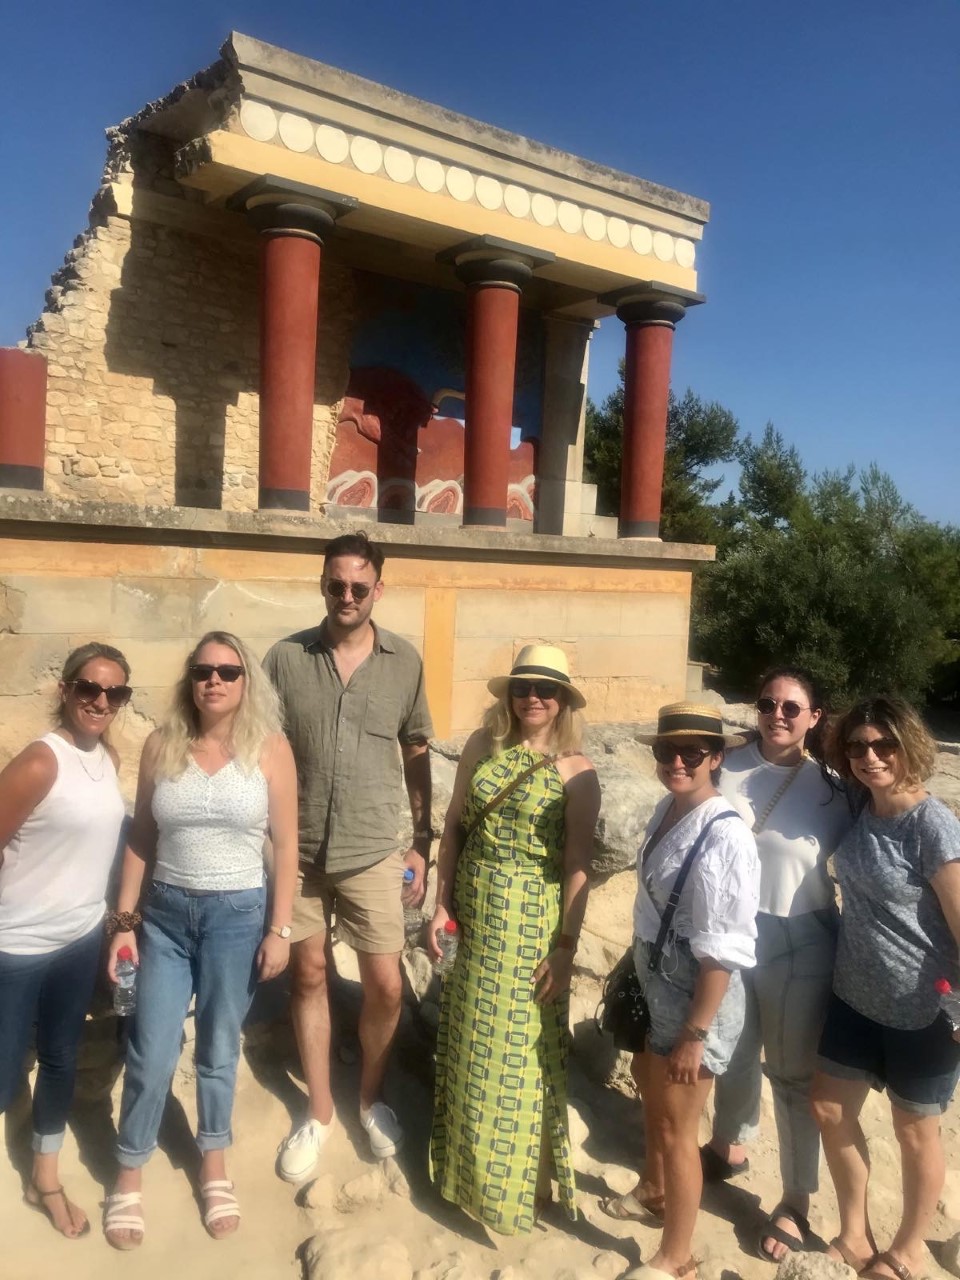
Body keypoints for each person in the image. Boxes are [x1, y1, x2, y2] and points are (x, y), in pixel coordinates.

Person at [103, 631, 298, 1249]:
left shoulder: (271, 749)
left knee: (217, 1047)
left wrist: (281, 929)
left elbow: (287, 845)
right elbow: (141, 837)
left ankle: (213, 1163)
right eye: (203, 670)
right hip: (164, 916)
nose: (214, 680)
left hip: (237, 917)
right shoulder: (162, 745)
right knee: (151, 1047)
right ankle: (129, 1167)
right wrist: (124, 925)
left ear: (246, 681)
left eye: (228, 671)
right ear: (190, 678)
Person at [265, 532, 433, 1180]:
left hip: (372, 847)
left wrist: (422, 842)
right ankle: (320, 1111)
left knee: (386, 985)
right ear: (323, 584)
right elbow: (262, 747)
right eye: (336, 584)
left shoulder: (404, 661)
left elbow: (415, 750)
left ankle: (370, 1097)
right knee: (308, 976)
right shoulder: (285, 658)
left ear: (378, 590)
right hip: (300, 848)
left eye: (359, 586)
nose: (347, 596)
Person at [427, 644, 601, 1235]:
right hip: (473, 914)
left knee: (519, 1053)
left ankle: (520, 1187)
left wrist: (566, 946)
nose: (533, 698)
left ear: (563, 701)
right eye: (523, 687)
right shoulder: (483, 746)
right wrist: (441, 903)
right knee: (469, 1042)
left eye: (546, 689)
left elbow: (577, 865)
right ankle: (462, 1175)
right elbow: (453, 827)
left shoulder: (577, 772)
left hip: (529, 924)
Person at [700, 666, 854, 1261]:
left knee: (791, 1074)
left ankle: (795, 1199)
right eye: (768, 704)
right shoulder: (725, 766)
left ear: (815, 717)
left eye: (792, 707)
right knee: (733, 1049)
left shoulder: (835, 789)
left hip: (800, 937)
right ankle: (730, 1145)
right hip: (730, 933)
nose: (778, 715)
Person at [602, 702, 760, 1280]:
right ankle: (653, 1189)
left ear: (715, 758)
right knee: (654, 1099)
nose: (677, 762)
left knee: (678, 1128)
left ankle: (677, 1256)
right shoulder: (668, 808)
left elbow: (722, 951)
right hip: (657, 978)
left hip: (696, 996)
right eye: (667, 750)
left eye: (692, 752)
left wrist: (696, 1034)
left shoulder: (726, 836)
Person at [810, 696, 960, 1280]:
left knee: (914, 1131)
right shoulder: (860, 803)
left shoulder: (932, 824)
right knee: (829, 1108)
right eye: (857, 746)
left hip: (923, 1008)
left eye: (883, 744)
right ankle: (853, 1235)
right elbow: (801, 742)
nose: (869, 756)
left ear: (908, 745)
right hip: (853, 996)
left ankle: (907, 1250)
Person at [0, 642, 130, 1238]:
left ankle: (43, 1180)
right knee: (5, 1074)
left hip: (78, 939)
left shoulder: (109, 760)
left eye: (115, 692)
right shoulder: (39, 761)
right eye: (89, 688)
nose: (100, 701)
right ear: (65, 690)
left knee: (59, 1060)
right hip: (16, 945)